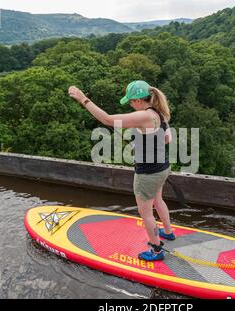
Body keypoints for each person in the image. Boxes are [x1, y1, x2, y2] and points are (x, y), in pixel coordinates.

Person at [68, 80, 175, 262]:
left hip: (147, 174)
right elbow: (166, 139)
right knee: (158, 200)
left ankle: (156, 250)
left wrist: (83, 99)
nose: (131, 106)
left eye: (131, 102)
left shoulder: (143, 115)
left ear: (139, 100)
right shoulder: (160, 113)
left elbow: (108, 119)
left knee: (146, 212)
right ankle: (168, 232)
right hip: (162, 168)